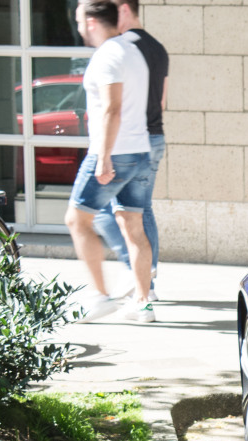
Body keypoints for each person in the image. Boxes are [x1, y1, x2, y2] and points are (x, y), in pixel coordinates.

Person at [65, 0, 155, 323]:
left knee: (76, 220)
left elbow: (111, 109)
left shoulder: (108, 55)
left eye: (78, 20)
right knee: (133, 227)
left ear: (91, 22)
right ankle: (143, 304)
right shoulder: (134, 52)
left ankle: (100, 296)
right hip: (140, 150)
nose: (77, 28)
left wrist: (103, 157)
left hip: (115, 152)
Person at [92, 0, 168, 301]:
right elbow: (162, 101)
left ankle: (137, 274)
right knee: (141, 210)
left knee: (99, 211)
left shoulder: (123, 48)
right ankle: (146, 281)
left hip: (131, 141)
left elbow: (115, 104)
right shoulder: (157, 48)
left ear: (124, 9)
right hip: (155, 136)